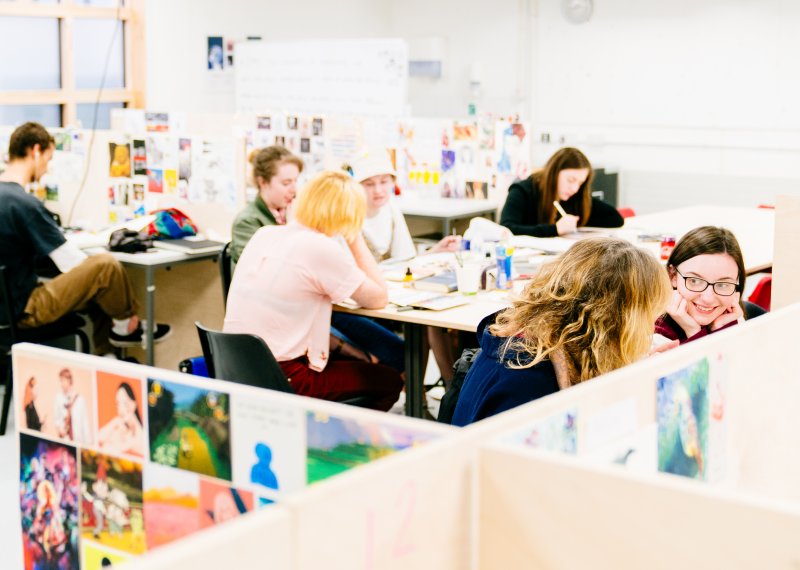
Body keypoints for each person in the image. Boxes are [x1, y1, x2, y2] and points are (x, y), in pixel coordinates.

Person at [224, 171, 404, 411]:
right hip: (284, 376)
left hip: (237, 367)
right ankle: (334, 442)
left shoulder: (265, 234)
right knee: (388, 380)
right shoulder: (320, 247)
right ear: (350, 214)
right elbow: (378, 297)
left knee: (354, 362)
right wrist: (354, 236)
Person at [451, 238, 672, 426]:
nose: (649, 328)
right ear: (616, 322)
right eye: (649, 316)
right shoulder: (533, 381)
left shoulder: (534, 343)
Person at [0, 122, 170, 354]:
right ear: (35, 151)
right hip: (24, 310)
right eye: (48, 160)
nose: (46, 169)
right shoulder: (23, 204)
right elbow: (70, 262)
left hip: (6, 307)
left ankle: (108, 359)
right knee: (105, 268)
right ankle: (126, 326)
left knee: (98, 292)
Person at [348, 149, 461, 385]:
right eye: (369, 184)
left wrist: (434, 251)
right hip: (364, 304)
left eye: (384, 182)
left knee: (430, 322)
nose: (378, 190)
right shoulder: (349, 217)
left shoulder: (390, 211)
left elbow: (405, 260)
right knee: (422, 328)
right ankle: (420, 396)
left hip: (393, 296)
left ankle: (442, 393)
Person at [499, 147, 624, 237]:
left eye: (580, 183)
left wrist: (578, 223)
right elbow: (507, 229)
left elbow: (615, 219)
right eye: (570, 180)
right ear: (554, 173)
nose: (575, 188)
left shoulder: (576, 197)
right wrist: (555, 229)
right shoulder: (522, 191)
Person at [655, 226, 746, 344]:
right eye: (695, 281)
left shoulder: (730, 315)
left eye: (723, 284)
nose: (708, 298)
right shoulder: (655, 335)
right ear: (673, 276)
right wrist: (694, 332)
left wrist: (720, 328)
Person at [230, 146, 304, 265]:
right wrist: (292, 228)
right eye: (286, 183)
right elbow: (266, 269)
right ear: (263, 182)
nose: (294, 189)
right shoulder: (246, 222)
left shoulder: (291, 213)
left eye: (295, 181)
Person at [97, 382, 144, 455]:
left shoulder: (139, 433)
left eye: (125, 403)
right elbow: (98, 437)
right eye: (118, 403)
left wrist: (133, 419)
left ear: (134, 404)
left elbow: (141, 445)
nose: (121, 409)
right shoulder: (120, 426)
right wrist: (115, 421)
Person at [53, 368, 90, 443]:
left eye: (63, 380)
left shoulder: (80, 399)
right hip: (65, 440)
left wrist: (88, 443)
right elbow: (56, 418)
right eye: (60, 380)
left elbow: (85, 423)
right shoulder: (58, 398)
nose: (61, 383)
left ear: (69, 380)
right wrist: (60, 429)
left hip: (78, 440)